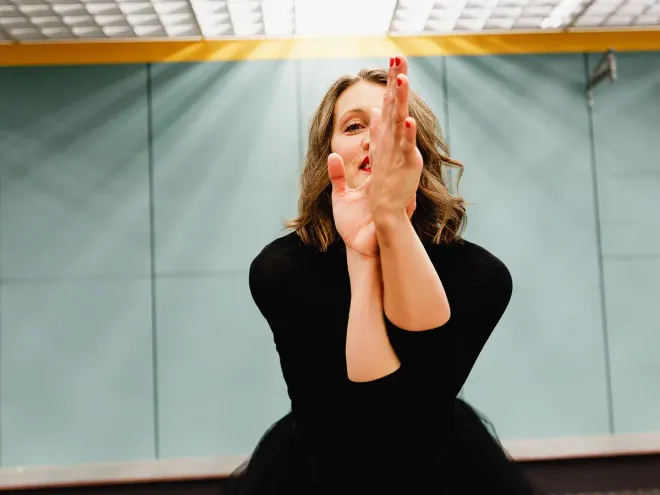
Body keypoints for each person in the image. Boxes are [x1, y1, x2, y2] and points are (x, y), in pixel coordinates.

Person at [222, 54, 541, 494]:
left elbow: (396, 426)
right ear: (328, 153)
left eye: (390, 122)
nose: (374, 137)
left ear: (417, 150)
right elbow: (355, 431)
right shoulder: (283, 271)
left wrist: (389, 220)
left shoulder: (477, 277)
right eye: (354, 126)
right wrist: (362, 257)